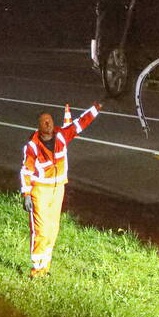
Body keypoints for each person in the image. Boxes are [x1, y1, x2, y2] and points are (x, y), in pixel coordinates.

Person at [19, 102, 101, 277]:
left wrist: (96, 107)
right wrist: (26, 194)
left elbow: (80, 123)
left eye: (49, 120)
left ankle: (45, 267)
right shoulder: (33, 146)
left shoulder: (62, 136)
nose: (48, 124)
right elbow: (26, 170)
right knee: (41, 230)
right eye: (44, 122)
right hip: (40, 190)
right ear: (39, 126)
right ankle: (36, 270)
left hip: (58, 189)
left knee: (53, 228)